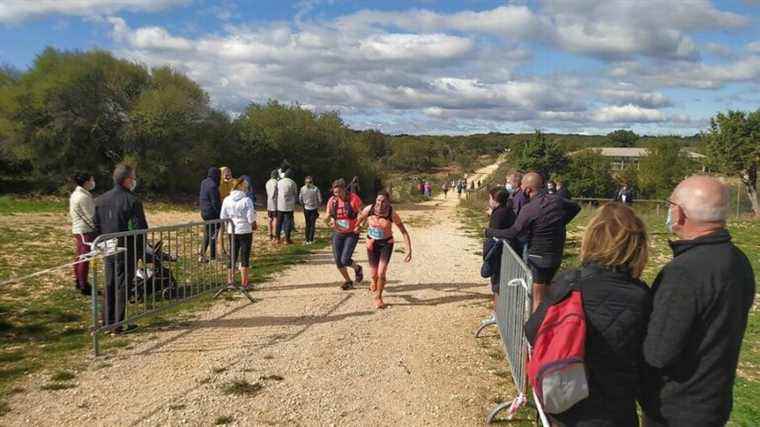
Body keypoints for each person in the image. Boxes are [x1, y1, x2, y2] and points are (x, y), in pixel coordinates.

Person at [641, 176, 756, 427]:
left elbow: (658, 353)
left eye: (670, 204)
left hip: (675, 408)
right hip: (714, 399)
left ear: (680, 213)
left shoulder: (683, 272)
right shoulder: (738, 260)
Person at [526, 202, 652, 427]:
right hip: (618, 411)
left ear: (591, 239)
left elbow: (532, 330)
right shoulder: (642, 295)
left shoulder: (571, 282)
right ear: (637, 246)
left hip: (568, 404)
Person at [486, 172, 581, 311]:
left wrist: (490, 232)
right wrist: (561, 222)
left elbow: (513, 232)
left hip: (538, 257)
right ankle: (547, 324)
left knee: (538, 299)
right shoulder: (556, 200)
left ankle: (537, 329)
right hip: (556, 254)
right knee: (548, 293)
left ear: (528, 190)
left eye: (523, 187)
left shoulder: (529, 209)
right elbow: (576, 207)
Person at [94, 163, 148, 334]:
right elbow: (139, 228)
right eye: (133, 177)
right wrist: (140, 251)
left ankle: (106, 321)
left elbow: (95, 226)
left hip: (107, 248)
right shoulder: (132, 201)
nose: (134, 181)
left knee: (109, 283)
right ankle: (118, 324)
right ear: (127, 180)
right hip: (127, 249)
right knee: (122, 286)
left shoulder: (100, 200)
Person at [354, 190, 412, 309]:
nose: (380, 203)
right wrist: (358, 227)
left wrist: (408, 250)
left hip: (386, 244)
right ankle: (374, 280)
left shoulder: (391, 213)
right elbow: (359, 221)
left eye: (383, 201)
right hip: (371, 244)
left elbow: (404, 232)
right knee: (374, 274)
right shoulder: (369, 209)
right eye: (378, 200)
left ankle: (378, 297)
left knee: (381, 272)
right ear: (375, 200)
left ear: (388, 202)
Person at [325, 179, 364, 290]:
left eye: (339, 192)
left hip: (352, 233)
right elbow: (327, 216)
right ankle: (348, 281)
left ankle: (357, 269)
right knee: (338, 260)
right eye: (335, 192)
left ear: (344, 189)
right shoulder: (332, 201)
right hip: (338, 232)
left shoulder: (354, 199)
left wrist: (359, 226)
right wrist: (330, 222)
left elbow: (363, 214)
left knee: (345, 259)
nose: (337, 195)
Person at [220, 179, 257, 289]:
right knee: (244, 256)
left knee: (233, 255)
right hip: (245, 230)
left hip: (232, 230)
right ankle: (244, 283)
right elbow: (250, 218)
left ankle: (230, 281)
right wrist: (254, 224)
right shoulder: (247, 200)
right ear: (242, 187)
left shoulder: (227, 199)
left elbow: (223, 216)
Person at [483, 187, 516, 300]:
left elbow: (495, 235)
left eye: (490, 198)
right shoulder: (506, 210)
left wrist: (488, 232)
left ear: (494, 199)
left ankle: (497, 313)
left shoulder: (499, 214)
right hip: (503, 252)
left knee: (497, 282)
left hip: (499, 253)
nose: (489, 201)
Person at [69, 172, 97, 295]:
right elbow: (90, 216)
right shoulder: (83, 196)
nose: (93, 182)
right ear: (86, 182)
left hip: (79, 229)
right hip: (85, 230)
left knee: (80, 256)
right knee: (85, 257)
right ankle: (83, 285)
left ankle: (79, 281)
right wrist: (98, 227)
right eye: (92, 179)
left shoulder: (78, 194)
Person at [198, 167, 222, 262]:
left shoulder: (204, 182)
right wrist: (221, 215)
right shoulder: (213, 186)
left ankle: (201, 254)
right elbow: (215, 202)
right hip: (212, 213)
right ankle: (212, 257)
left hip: (204, 212)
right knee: (213, 235)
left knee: (207, 234)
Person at [276, 169, 298, 244]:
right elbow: (295, 193)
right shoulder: (293, 183)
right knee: (288, 222)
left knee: (279, 222)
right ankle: (287, 239)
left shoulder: (279, 182)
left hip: (280, 205)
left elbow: (276, 192)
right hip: (289, 205)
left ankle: (277, 238)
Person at [300, 176, 322, 244]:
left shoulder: (302, 189)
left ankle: (307, 240)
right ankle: (311, 239)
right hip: (314, 208)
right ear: (312, 182)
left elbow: (300, 199)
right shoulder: (315, 189)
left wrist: (303, 205)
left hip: (306, 208)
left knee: (307, 224)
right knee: (312, 224)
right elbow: (320, 200)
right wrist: (318, 205)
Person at [265, 170, 279, 242]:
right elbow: (275, 192)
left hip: (269, 202)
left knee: (269, 218)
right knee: (275, 218)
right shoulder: (276, 182)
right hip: (275, 202)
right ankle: (274, 235)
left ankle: (269, 234)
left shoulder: (267, 182)